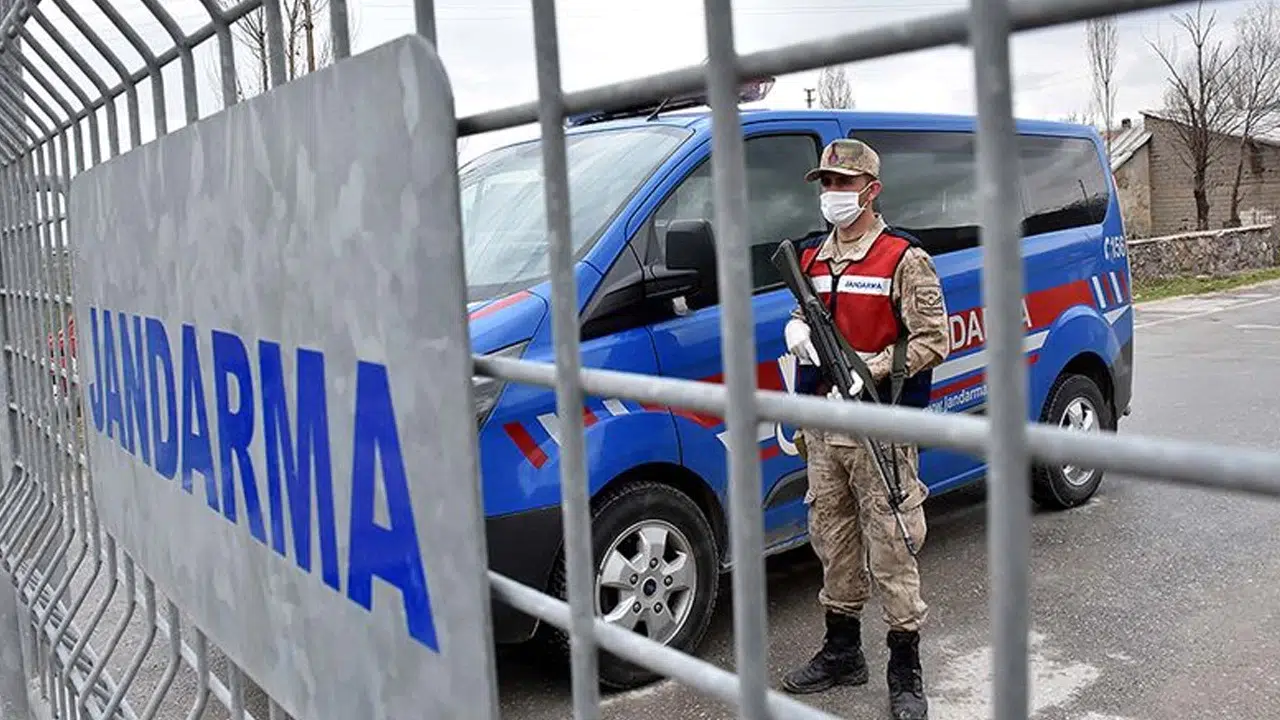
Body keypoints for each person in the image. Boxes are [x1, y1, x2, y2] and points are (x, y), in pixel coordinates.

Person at [779, 138, 950, 720]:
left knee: (893, 546)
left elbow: (934, 341)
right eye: (825, 183)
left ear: (871, 190)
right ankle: (842, 653)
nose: (832, 193)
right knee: (832, 538)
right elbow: (809, 311)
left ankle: (905, 672)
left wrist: (871, 368)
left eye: (843, 183)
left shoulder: (904, 258)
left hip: (879, 425)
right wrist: (796, 330)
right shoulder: (812, 257)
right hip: (824, 426)